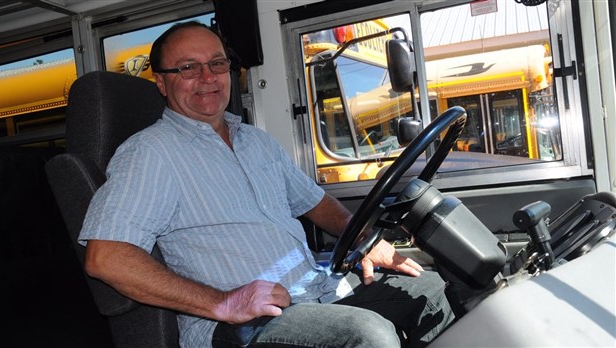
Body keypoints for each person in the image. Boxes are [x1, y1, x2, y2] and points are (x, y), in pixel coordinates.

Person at [79, 21, 454, 348]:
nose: (207, 78)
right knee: (366, 333)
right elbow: (106, 257)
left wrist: (365, 241)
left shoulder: (256, 141)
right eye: (188, 68)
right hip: (242, 325)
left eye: (217, 63)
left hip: (315, 292)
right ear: (161, 82)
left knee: (431, 290)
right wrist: (224, 303)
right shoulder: (149, 153)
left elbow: (317, 203)